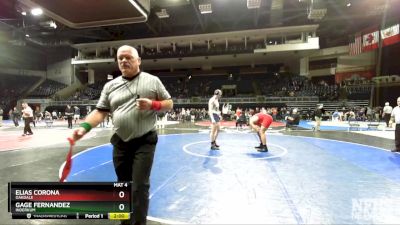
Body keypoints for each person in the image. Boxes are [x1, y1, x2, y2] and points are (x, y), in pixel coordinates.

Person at [70, 45, 173, 225]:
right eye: (120, 58)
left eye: (128, 57)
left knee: (139, 186)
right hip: (120, 142)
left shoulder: (152, 81)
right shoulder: (110, 86)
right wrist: (84, 127)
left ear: (138, 60)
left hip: (144, 141)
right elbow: (100, 111)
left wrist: (153, 105)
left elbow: (169, 103)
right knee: (123, 185)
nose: (124, 61)